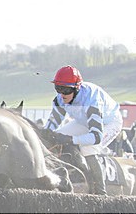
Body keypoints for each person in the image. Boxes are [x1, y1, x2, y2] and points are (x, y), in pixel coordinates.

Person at [44, 65, 123, 195]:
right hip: (83, 122)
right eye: (58, 88)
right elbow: (51, 126)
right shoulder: (60, 99)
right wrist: (45, 134)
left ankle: (100, 193)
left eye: (66, 90)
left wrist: (71, 140)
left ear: (77, 88)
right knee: (56, 136)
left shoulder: (92, 101)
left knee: (88, 148)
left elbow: (95, 137)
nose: (62, 94)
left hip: (108, 123)